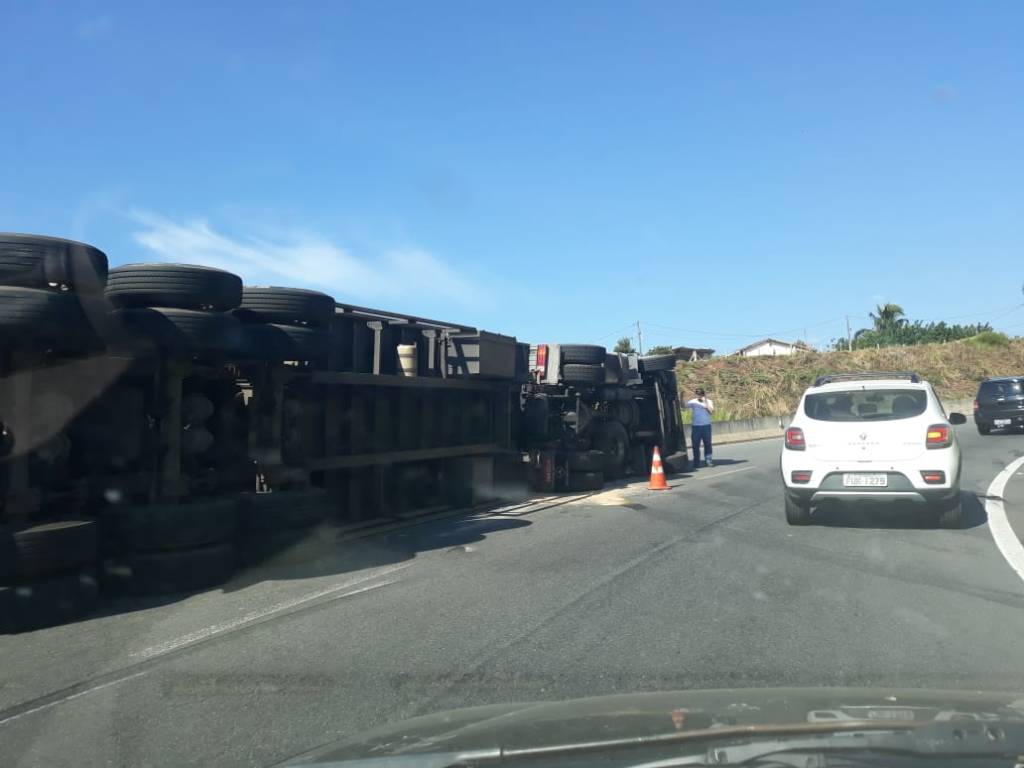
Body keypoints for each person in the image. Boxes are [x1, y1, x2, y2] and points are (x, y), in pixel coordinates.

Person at [685, 387, 714, 468]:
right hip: (696, 427)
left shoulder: (709, 401)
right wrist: (681, 397)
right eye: (697, 394)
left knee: (707, 444)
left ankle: (708, 460)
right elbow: (683, 406)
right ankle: (696, 462)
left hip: (706, 426)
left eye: (700, 394)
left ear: (703, 394)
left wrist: (706, 403)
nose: (699, 396)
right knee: (695, 445)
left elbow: (711, 412)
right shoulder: (693, 402)